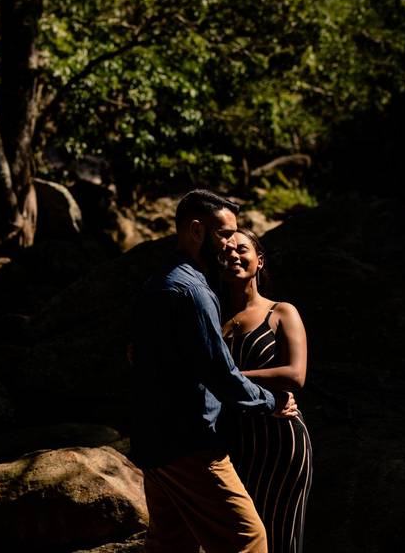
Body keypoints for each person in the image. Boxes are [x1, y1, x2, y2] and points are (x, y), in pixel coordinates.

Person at [130, 189, 297, 553]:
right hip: (190, 442)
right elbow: (219, 373)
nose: (229, 243)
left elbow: (135, 357)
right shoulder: (192, 291)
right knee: (248, 540)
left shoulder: (157, 282)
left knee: (172, 543)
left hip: (153, 442)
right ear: (195, 230)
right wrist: (271, 402)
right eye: (222, 234)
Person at [219, 228, 313, 553]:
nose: (232, 255)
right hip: (231, 443)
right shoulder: (212, 319)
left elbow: (295, 375)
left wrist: (229, 377)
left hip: (280, 441)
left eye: (241, 249)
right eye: (224, 252)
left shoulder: (281, 312)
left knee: (281, 537)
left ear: (259, 261)